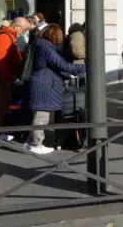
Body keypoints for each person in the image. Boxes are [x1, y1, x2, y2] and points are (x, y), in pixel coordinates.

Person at [24, 24, 86, 154]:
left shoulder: (40, 45)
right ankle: (36, 144)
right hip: (44, 85)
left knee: (39, 115)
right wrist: (84, 67)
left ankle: (30, 142)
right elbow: (62, 65)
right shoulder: (46, 48)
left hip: (42, 83)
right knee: (42, 116)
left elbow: (55, 66)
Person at [0, 17, 30, 148]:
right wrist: (7, 79)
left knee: (4, 107)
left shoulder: (8, 36)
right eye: (24, 29)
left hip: (5, 79)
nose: (24, 32)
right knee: (1, 108)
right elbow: (1, 62)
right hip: (3, 79)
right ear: (16, 26)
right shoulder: (4, 37)